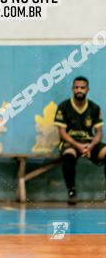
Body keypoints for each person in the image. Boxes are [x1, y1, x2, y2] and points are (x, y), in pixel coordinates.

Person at [54, 76, 104, 205]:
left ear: (87, 89)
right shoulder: (63, 107)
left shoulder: (94, 108)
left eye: (82, 87)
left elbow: (98, 132)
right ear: (72, 89)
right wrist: (78, 146)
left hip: (89, 143)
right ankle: (72, 191)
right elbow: (62, 133)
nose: (79, 90)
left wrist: (91, 146)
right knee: (69, 154)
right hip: (70, 143)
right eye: (76, 88)